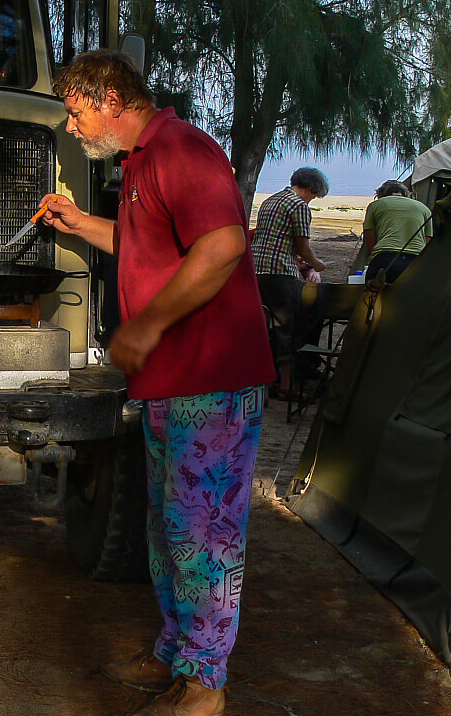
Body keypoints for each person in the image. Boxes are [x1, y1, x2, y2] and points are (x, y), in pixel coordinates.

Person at [39, 50, 275, 716]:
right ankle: (175, 652)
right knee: (168, 525)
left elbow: (223, 245)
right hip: (171, 383)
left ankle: (205, 682)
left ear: (111, 100)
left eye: (77, 111)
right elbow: (149, 248)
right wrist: (80, 223)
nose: (74, 125)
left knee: (203, 532)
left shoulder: (183, 149)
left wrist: (146, 328)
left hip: (212, 377)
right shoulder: (141, 161)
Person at [250, 168, 329, 397]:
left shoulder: (269, 201)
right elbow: (303, 247)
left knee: (267, 327)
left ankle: (267, 382)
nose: (311, 200)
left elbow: (276, 239)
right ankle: (287, 385)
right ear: (310, 189)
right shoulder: (298, 206)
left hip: (256, 269)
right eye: (313, 196)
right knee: (289, 327)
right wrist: (316, 264)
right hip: (280, 271)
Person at [362, 180, 432, 283]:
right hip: (416, 261)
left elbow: (370, 238)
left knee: (372, 295)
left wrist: (372, 260)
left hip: (385, 258)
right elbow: (427, 241)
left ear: (381, 195)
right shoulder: (424, 208)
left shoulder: (376, 205)